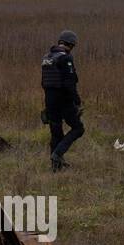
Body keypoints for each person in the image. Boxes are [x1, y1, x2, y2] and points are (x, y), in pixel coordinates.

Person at [41, 30, 84, 171]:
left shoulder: (47, 58)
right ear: (71, 45)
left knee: (56, 133)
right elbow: (69, 84)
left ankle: (55, 169)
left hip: (49, 101)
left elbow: (44, 82)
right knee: (78, 128)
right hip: (64, 101)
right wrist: (77, 101)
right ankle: (58, 153)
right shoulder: (66, 58)